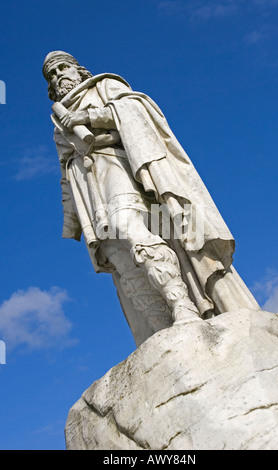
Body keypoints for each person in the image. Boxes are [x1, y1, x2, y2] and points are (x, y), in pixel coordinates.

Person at [43, 51, 260, 346]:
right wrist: (70, 218)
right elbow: (65, 170)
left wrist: (86, 117)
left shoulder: (103, 86)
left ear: (78, 70)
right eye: (51, 75)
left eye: (62, 68)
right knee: (120, 257)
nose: (58, 76)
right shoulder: (58, 120)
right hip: (90, 193)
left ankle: (183, 305)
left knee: (130, 228)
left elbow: (134, 112)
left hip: (121, 171)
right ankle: (161, 329)